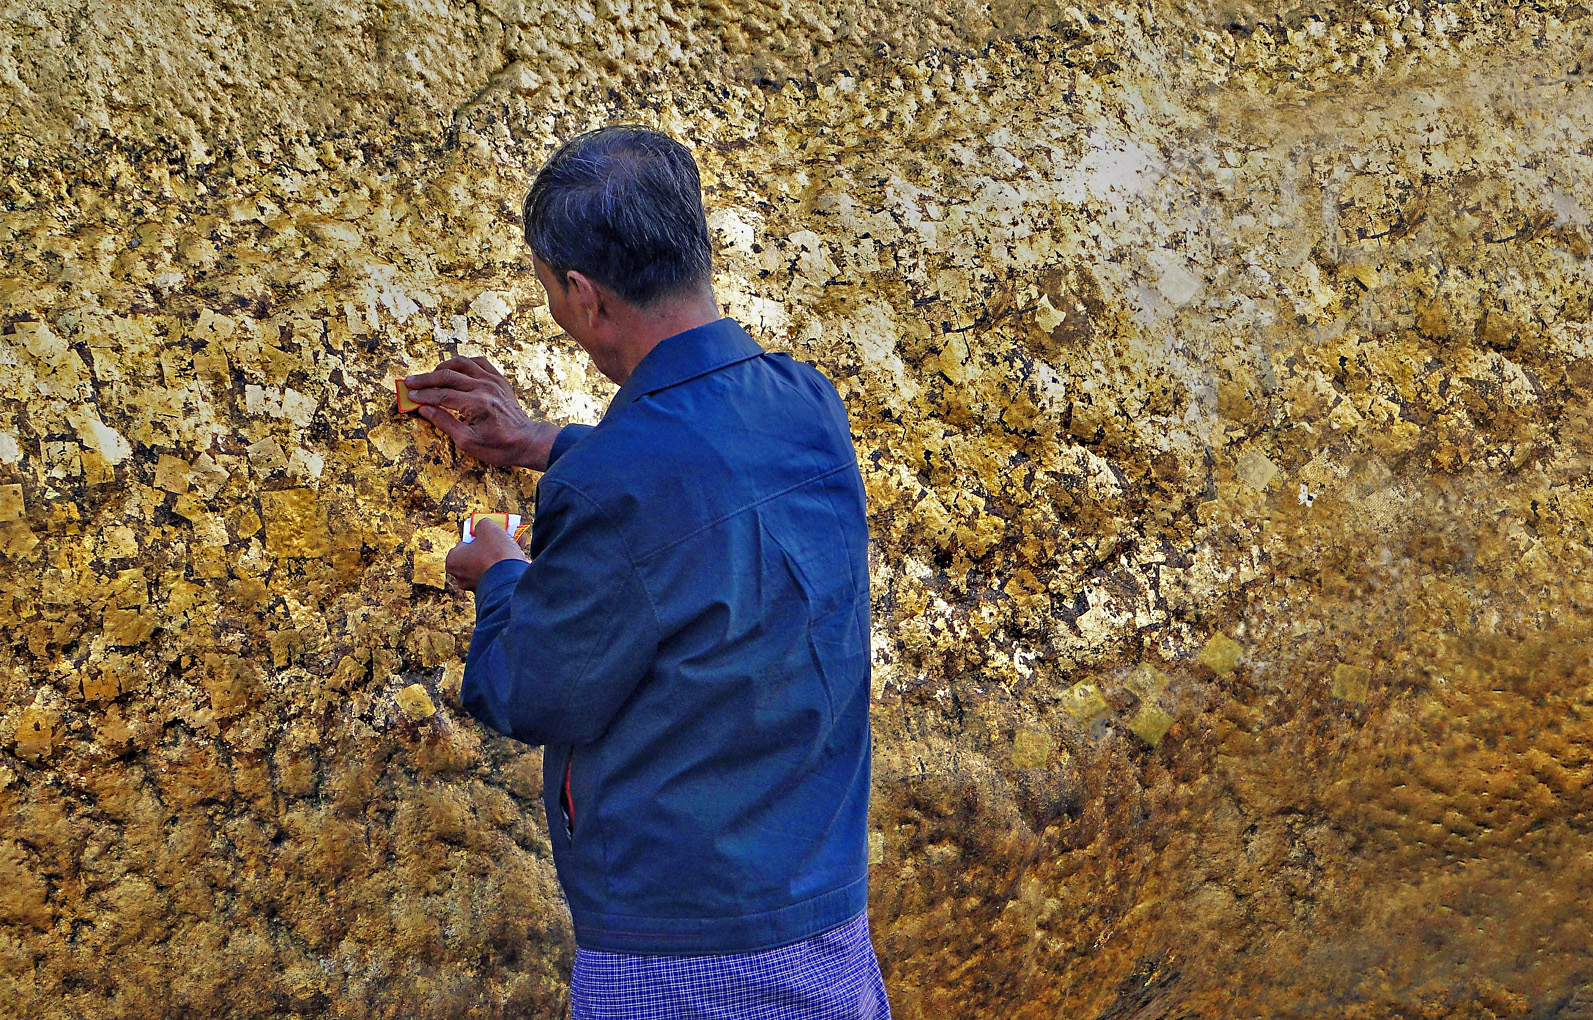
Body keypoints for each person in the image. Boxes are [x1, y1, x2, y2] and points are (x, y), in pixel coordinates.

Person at [403, 127, 890, 1019]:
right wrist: (548, 442)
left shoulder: (618, 484)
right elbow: (711, 484)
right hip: (825, 914)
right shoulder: (803, 401)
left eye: (551, 290)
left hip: (683, 950)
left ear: (583, 296)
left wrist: (501, 574)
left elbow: (533, 693)